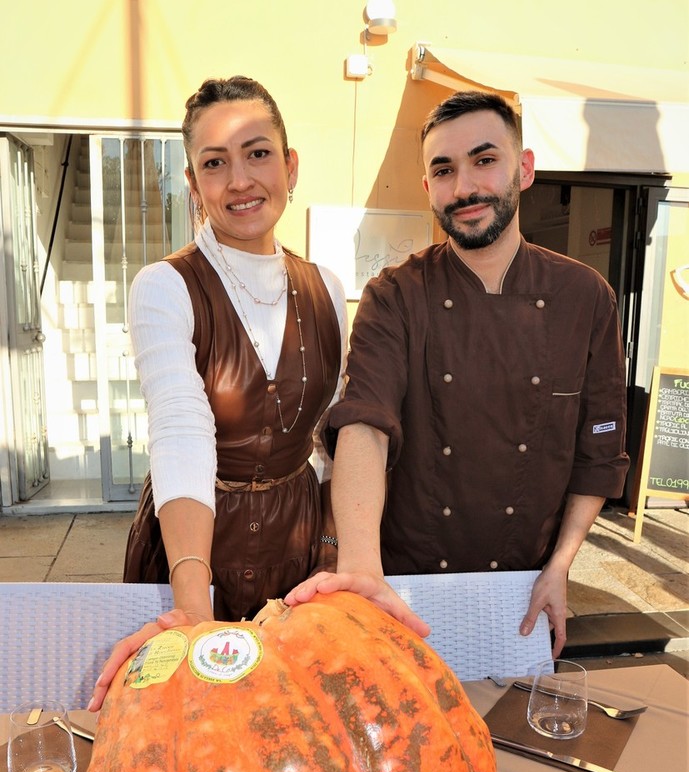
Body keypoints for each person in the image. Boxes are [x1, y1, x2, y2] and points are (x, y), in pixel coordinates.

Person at [286, 90, 629, 655]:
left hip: (523, 588)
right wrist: (362, 568)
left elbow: (598, 457)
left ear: (524, 168)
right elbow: (363, 426)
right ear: (428, 189)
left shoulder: (585, 297)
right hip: (405, 587)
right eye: (444, 170)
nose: (465, 187)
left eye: (484, 160)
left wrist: (561, 566)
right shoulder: (395, 296)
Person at [89, 76, 347, 711]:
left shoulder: (327, 288)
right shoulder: (164, 286)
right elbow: (179, 426)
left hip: (297, 539)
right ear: (193, 181)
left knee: (289, 714)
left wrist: (335, 546)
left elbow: (335, 430)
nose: (240, 180)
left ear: (289, 165)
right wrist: (190, 599)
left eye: (257, 153)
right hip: (192, 545)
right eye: (215, 163)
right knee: (192, 723)